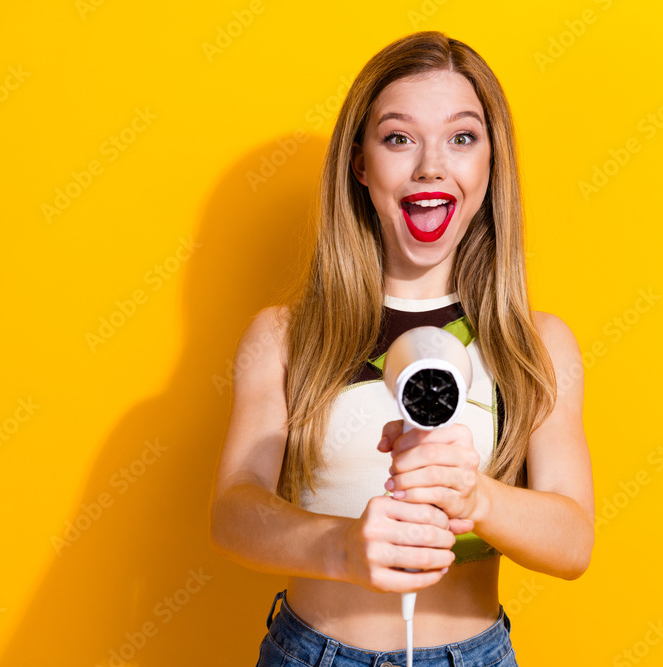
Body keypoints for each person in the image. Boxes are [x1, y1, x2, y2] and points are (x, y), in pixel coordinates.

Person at [209, 30, 595, 667]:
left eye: (462, 138)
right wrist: (340, 548)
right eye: (398, 138)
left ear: (491, 163)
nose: (431, 166)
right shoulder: (285, 336)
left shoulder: (535, 344)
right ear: (360, 164)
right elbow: (232, 512)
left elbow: (573, 543)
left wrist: (476, 498)